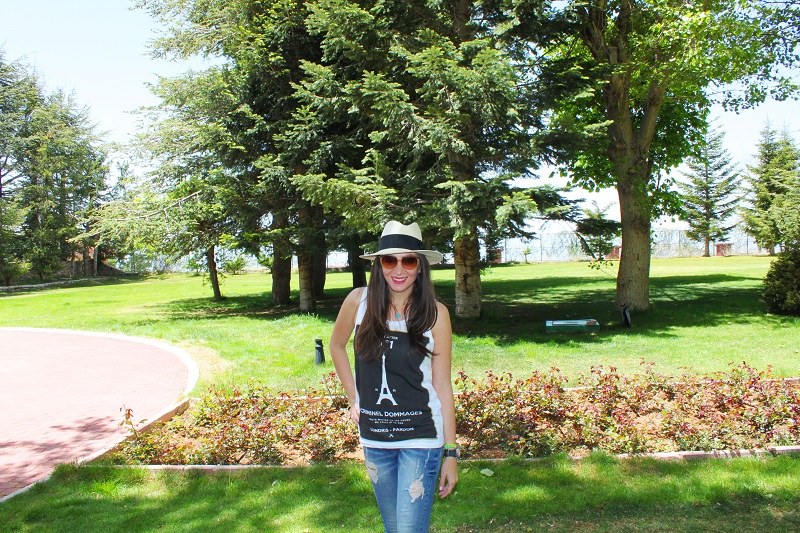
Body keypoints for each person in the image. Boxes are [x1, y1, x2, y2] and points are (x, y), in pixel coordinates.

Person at [330, 220, 459, 533]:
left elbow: (442, 385)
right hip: (375, 437)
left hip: (422, 436)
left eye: (408, 260)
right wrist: (354, 398)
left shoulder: (436, 314)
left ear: (420, 266)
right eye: (389, 260)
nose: (399, 269)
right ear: (379, 265)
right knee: (394, 528)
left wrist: (451, 452)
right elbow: (336, 345)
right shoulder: (358, 302)